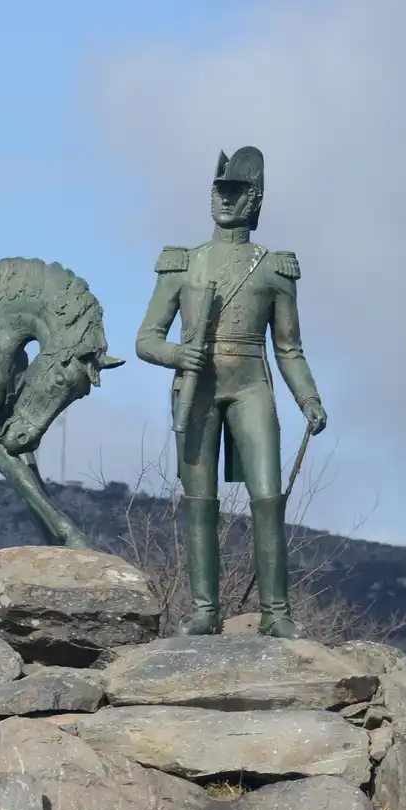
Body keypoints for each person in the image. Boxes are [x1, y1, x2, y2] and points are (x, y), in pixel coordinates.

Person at [133, 146, 327, 639]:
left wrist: (309, 398)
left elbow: (289, 348)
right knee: (200, 501)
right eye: (219, 190)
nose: (224, 199)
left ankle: (276, 612)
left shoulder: (273, 270)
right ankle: (204, 611)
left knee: (267, 497)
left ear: (254, 199)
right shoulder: (184, 264)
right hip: (196, 390)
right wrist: (177, 355)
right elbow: (146, 339)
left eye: (235, 191)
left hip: (250, 385)